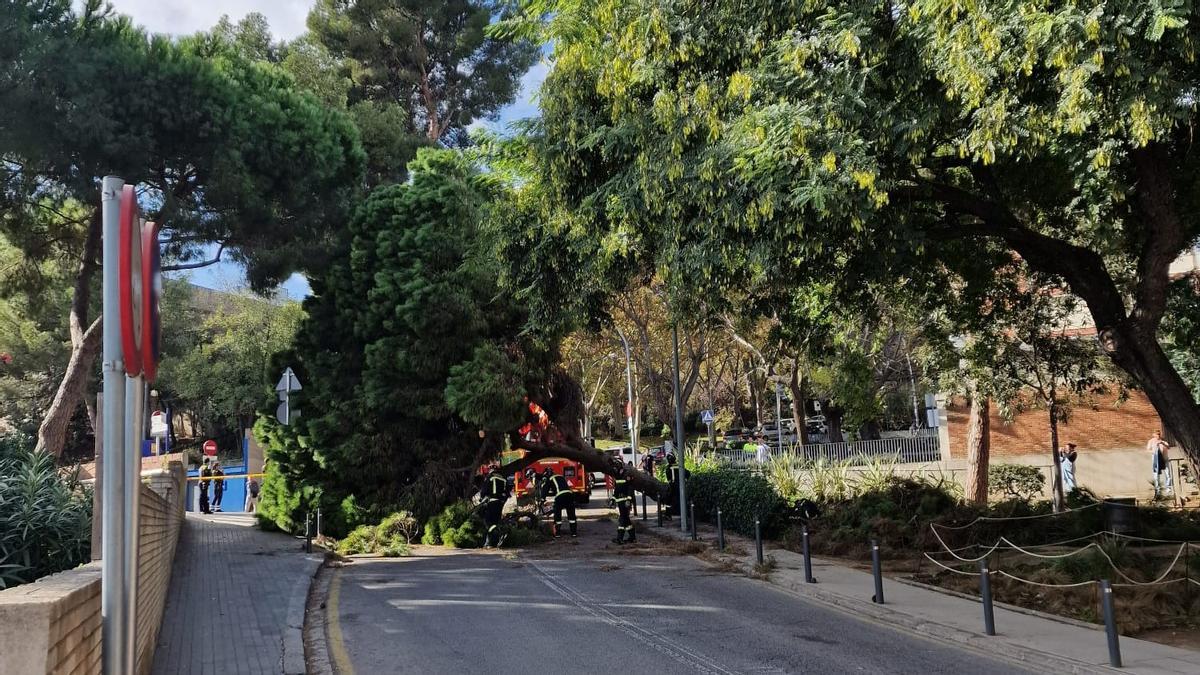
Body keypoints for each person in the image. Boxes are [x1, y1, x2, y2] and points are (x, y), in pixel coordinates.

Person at [540, 467, 577, 538]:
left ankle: (557, 534)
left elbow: (545, 489)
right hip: (569, 495)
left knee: (557, 514)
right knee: (571, 514)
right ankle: (574, 533)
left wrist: (542, 499)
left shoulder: (549, 479)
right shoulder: (561, 476)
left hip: (560, 496)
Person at [480, 465, 510, 548]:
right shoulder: (504, 479)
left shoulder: (490, 477)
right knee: (496, 522)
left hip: (492, 503)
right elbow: (507, 493)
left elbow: (484, 491)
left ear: (491, 470)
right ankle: (496, 540)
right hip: (500, 503)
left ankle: (489, 542)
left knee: (488, 522)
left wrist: (482, 498)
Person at [611, 463, 636, 545]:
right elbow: (616, 490)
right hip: (620, 501)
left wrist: (629, 500)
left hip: (626, 501)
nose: (615, 471)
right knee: (626, 519)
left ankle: (619, 538)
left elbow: (630, 488)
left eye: (615, 469)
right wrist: (613, 499)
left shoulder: (627, 475)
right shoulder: (617, 476)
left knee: (622, 519)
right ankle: (632, 537)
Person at [1149, 430, 1173, 497]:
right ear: (1153, 435)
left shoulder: (1163, 441)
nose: (1158, 436)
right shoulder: (1151, 441)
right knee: (1156, 475)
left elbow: (1168, 447)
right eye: (1157, 434)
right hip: (1156, 461)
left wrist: (1162, 443)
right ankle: (1158, 489)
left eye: (1159, 434)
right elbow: (1148, 449)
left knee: (1168, 474)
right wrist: (1154, 452)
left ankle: (1168, 488)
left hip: (1164, 460)